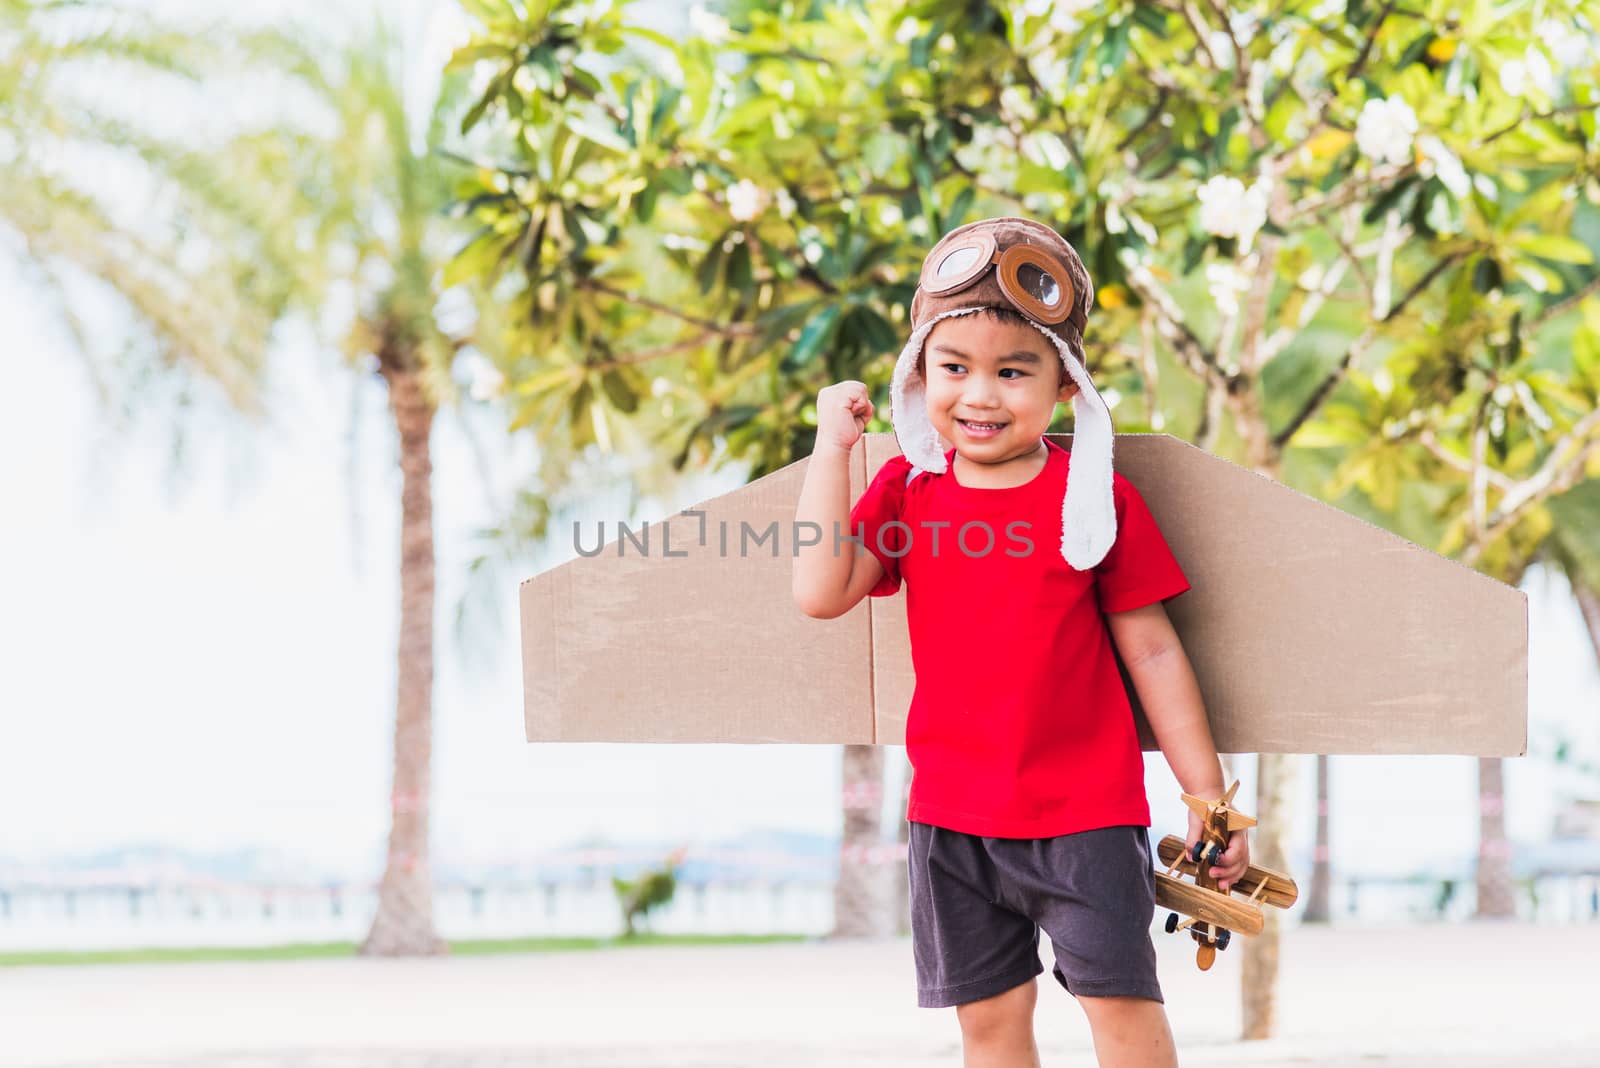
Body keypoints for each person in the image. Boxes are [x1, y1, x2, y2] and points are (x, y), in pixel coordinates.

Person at [791, 217, 1249, 1068]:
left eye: (1013, 371)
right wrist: (833, 447)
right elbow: (820, 592)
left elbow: (1153, 654)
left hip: (1088, 821)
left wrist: (1209, 802)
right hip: (952, 824)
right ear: (919, 372)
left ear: (1065, 382)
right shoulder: (907, 491)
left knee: (1123, 1016)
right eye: (953, 369)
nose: (980, 396)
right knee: (990, 1030)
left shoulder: (1094, 497)